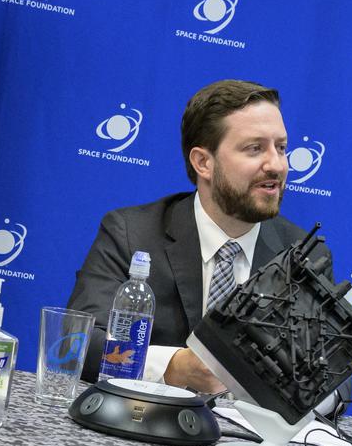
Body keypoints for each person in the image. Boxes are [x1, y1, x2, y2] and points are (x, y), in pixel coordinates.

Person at [68, 79, 333, 392]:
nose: (276, 165)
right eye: (254, 148)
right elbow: (77, 342)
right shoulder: (130, 233)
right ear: (203, 162)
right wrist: (170, 367)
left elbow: (335, 377)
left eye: (281, 147)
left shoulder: (304, 255)